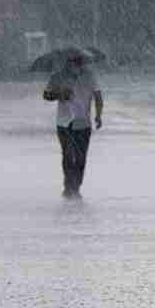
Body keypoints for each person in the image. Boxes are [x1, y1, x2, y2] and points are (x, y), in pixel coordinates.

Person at [43, 54, 103, 199]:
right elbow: (46, 95)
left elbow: (98, 96)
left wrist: (98, 115)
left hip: (83, 123)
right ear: (67, 62)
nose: (75, 65)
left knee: (81, 157)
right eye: (72, 62)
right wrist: (59, 95)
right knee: (68, 155)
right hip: (64, 123)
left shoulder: (90, 76)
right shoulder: (57, 77)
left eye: (78, 62)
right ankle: (68, 186)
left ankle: (76, 186)